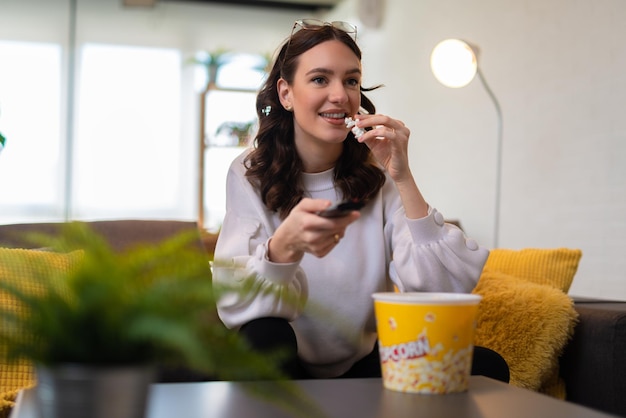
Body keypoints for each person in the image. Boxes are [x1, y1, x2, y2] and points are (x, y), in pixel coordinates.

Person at [213, 19, 509, 382]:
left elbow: (441, 291)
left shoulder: (378, 176)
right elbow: (235, 304)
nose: (340, 95)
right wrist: (283, 248)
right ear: (286, 93)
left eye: (351, 80)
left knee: (487, 368)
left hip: (363, 364)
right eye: (320, 79)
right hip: (282, 365)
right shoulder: (248, 173)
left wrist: (402, 177)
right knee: (262, 335)